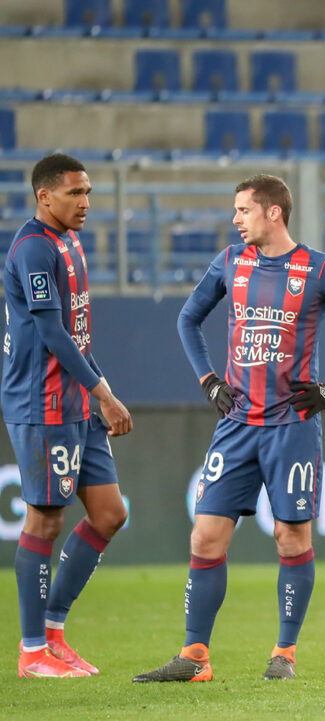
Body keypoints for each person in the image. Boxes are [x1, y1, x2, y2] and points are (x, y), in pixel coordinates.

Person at [132, 174, 325, 683]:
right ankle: (194, 656)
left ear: (274, 212)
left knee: (290, 537)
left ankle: (284, 653)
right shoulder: (231, 263)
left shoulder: (319, 269)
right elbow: (188, 319)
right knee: (205, 536)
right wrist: (208, 380)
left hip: (291, 426)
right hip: (236, 424)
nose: (235, 219)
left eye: (243, 210)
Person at [2, 153, 133, 678]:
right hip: (43, 402)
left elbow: (76, 334)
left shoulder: (69, 242)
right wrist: (105, 392)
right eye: (75, 193)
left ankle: (54, 634)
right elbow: (53, 333)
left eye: (89, 193)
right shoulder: (34, 247)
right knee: (45, 519)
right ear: (45, 196)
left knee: (109, 514)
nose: (85, 203)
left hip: (78, 401)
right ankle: (32, 651)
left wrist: (100, 392)